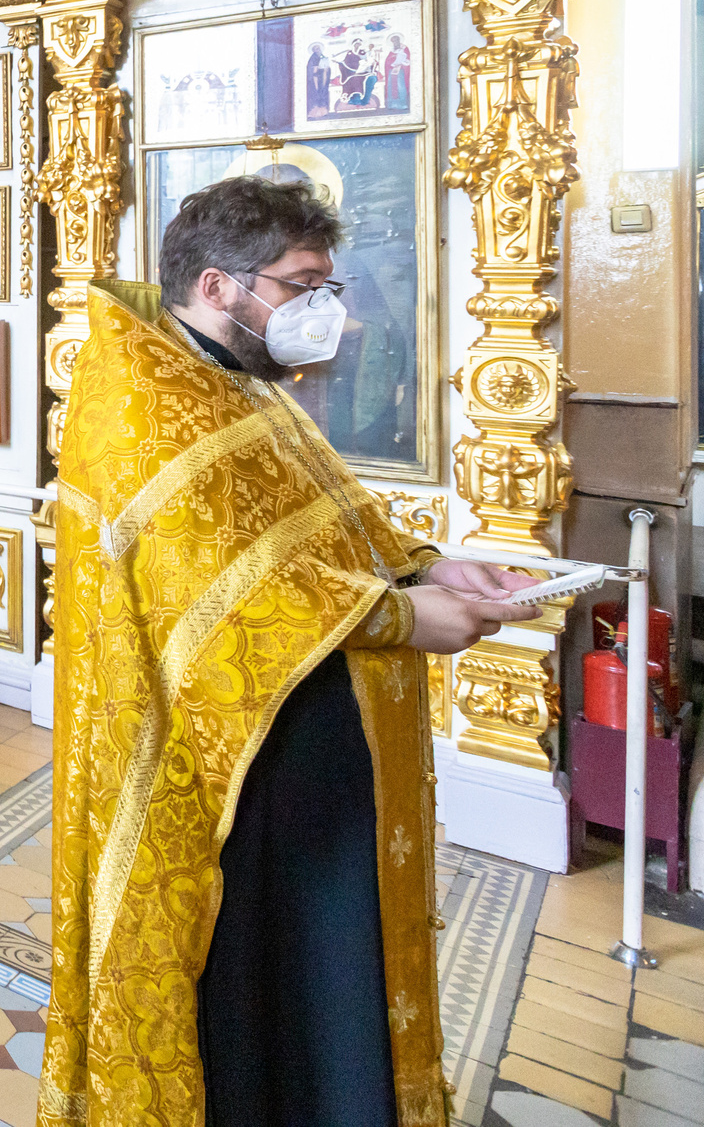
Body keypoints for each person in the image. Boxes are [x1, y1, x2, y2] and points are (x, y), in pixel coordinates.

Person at [43, 176, 535, 1127]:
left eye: (330, 287)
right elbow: (222, 595)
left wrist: (435, 567)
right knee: (256, 993)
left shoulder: (235, 379)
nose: (327, 313)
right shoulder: (143, 398)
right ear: (222, 286)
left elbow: (314, 527)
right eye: (304, 283)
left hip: (300, 750)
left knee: (317, 986)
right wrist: (401, 620)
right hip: (229, 775)